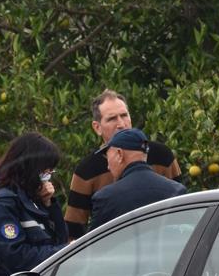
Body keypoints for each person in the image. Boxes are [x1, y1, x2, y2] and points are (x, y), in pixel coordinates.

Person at [64, 89, 182, 239]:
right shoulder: (86, 170)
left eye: (124, 115)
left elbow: (181, 206)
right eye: (112, 118)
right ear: (97, 127)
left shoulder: (162, 156)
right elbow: (74, 229)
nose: (121, 124)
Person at [0, 132, 68, 276]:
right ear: (31, 167)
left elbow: (60, 238)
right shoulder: (4, 203)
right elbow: (14, 256)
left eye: (51, 170)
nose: (48, 175)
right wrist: (61, 252)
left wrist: (48, 204)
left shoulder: (31, 198)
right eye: (45, 169)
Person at [90, 128, 187, 230]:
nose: (108, 167)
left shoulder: (106, 198)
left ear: (119, 154)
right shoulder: (177, 190)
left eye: (108, 157)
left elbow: (92, 244)